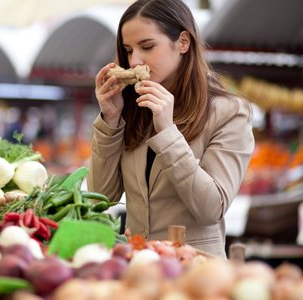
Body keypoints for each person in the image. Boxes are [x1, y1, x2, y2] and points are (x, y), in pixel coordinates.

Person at [87, 0, 254, 257]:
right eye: (128, 50)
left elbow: (212, 208)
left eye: (147, 46)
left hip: (195, 272)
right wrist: (110, 120)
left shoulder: (229, 112)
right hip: (137, 264)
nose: (135, 61)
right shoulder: (132, 107)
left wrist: (167, 132)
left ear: (183, 42)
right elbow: (102, 197)